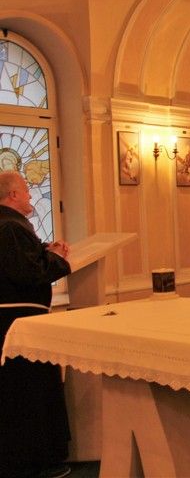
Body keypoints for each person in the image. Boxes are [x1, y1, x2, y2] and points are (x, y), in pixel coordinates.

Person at [0, 171, 72, 478]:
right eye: (26, 190)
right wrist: (58, 259)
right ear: (13, 195)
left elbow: (24, 260)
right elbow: (29, 272)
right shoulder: (10, 227)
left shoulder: (11, 226)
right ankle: (32, 463)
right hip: (20, 324)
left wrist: (46, 251)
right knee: (28, 395)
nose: (31, 194)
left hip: (15, 322)